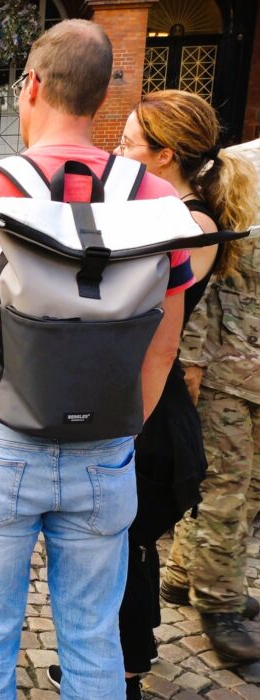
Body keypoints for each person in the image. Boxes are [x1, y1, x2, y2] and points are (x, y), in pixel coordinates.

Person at [0, 21, 194, 700]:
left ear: (31, 86)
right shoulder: (155, 199)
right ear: (104, 97)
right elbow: (163, 344)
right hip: (106, 447)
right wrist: (121, 429)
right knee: (93, 637)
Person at [46, 89, 260, 700]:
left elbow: (136, 306)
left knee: (125, 538)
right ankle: (127, 654)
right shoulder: (169, 211)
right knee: (122, 536)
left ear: (165, 155)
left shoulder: (188, 224)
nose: (117, 152)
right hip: (141, 388)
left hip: (149, 397)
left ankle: (125, 668)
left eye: (129, 143)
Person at [156, 125, 260, 663]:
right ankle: (219, 605)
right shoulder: (244, 168)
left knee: (250, 487)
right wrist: (191, 363)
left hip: (249, 367)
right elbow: (199, 282)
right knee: (224, 489)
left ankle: (182, 574)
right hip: (227, 369)